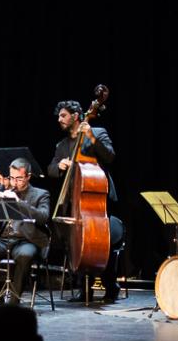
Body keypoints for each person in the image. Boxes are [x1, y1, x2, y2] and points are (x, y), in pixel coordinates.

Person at [47, 99, 122, 302]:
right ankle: (82, 287)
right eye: (59, 116)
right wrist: (59, 165)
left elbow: (110, 156)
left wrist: (91, 138)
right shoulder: (61, 145)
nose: (60, 119)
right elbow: (50, 170)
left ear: (76, 115)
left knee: (101, 242)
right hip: (73, 201)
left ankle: (110, 284)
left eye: (63, 115)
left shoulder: (97, 132)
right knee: (74, 242)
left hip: (97, 197)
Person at [0, 158, 50, 307]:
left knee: (24, 256)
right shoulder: (4, 192)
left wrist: (18, 203)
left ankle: (13, 304)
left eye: (19, 178)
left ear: (28, 177)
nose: (14, 182)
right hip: (4, 239)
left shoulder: (41, 194)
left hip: (27, 240)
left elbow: (43, 217)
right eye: (11, 178)